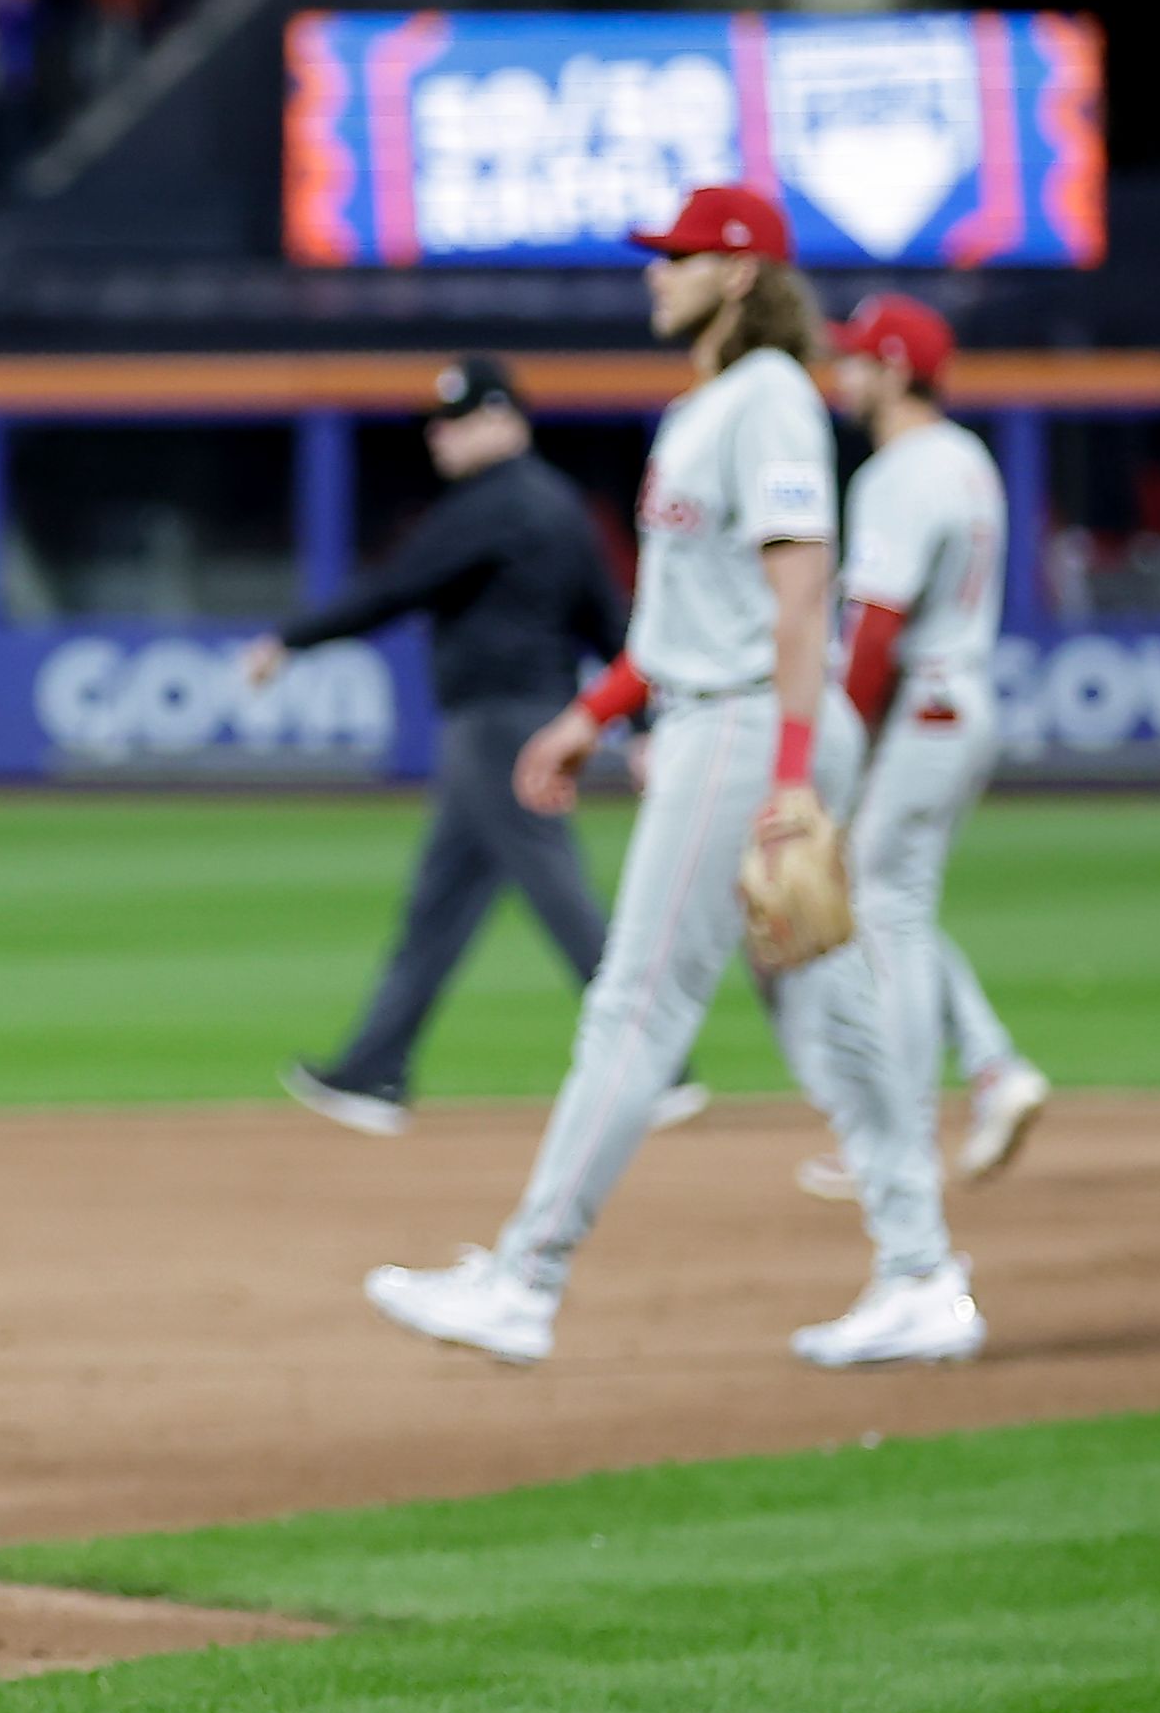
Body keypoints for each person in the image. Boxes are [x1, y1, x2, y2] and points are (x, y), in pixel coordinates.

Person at [364, 185, 973, 1368]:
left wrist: (791, 775)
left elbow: (800, 597)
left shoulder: (771, 404)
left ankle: (527, 1278)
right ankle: (922, 1272)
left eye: (680, 254)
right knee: (830, 1018)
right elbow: (693, 609)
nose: (657, 271)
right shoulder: (714, 405)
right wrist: (591, 713)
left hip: (749, 730)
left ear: (739, 272)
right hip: (720, 714)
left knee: (636, 1004)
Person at [248, 356, 705, 1138]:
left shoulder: (493, 503)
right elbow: (609, 621)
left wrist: (291, 639)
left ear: (502, 419)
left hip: (500, 723)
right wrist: (639, 724)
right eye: (437, 420)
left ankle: (654, 1062)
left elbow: (395, 587)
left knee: (558, 896)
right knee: (440, 904)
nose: (440, 435)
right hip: (519, 715)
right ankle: (373, 1069)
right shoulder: (560, 503)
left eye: (455, 419)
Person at [792, 295, 1050, 1206]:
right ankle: (991, 1067)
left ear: (899, 367)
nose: (845, 374)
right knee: (890, 899)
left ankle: (896, 1137)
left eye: (860, 359)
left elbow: (875, 633)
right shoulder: (968, 458)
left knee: (878, 913)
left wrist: (840, 748)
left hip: (919, 706)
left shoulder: (897, 472)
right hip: (959, 697)